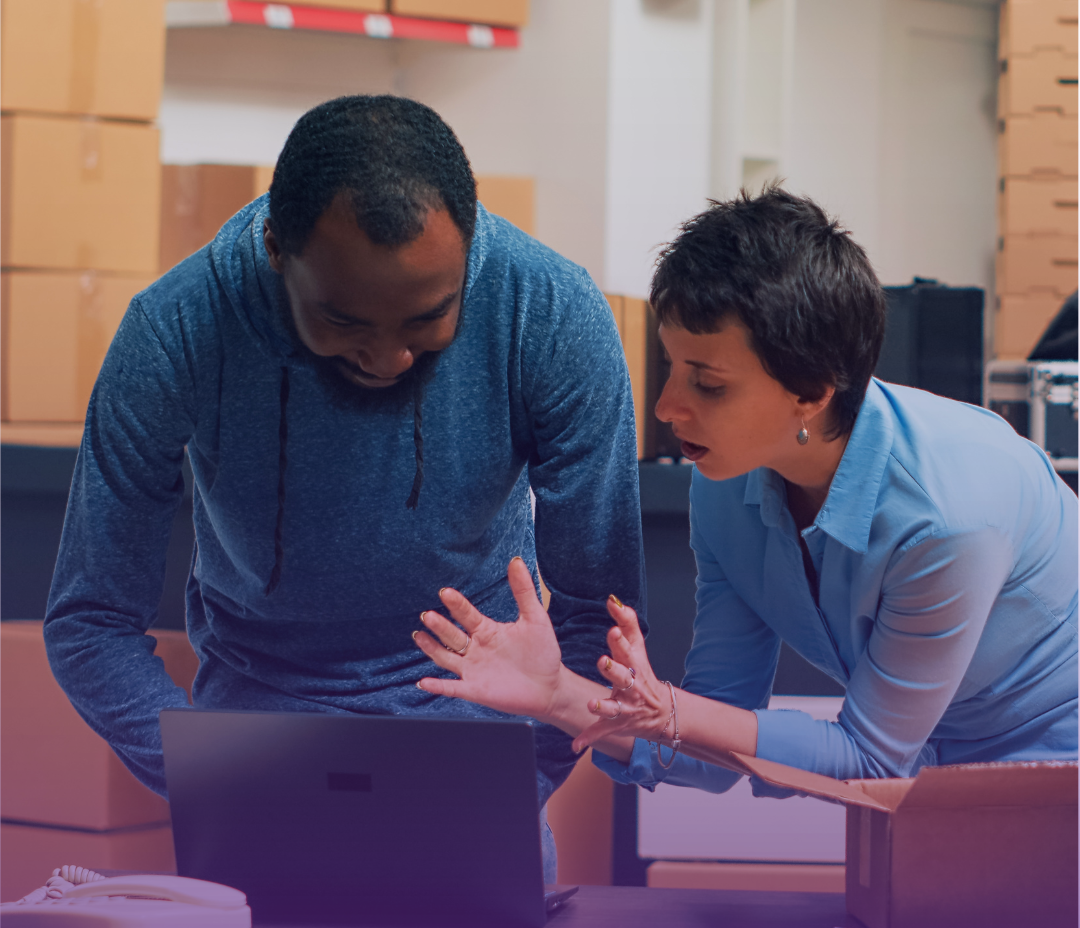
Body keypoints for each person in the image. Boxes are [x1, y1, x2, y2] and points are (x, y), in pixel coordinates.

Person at [44, 95, 646, 874]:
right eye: (345, 322)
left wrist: (517, 776)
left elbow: (602, 617)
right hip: (258, 738)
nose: (389, 356)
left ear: (469, 253)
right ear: (275, 250)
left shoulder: (552, 314)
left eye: (427, 320)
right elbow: (90, 618)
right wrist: (211, 773)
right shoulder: (175, 331)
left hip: (475, 724)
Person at [413, 187, 1078, 796]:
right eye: (671, 367)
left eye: (708, 383)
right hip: (939, 764)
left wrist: (673, 713)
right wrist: (553, 694)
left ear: (811, 393)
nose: (668, 406)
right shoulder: (728, 487)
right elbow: (705, 737)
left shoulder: (947, 518)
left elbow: (869, 761)